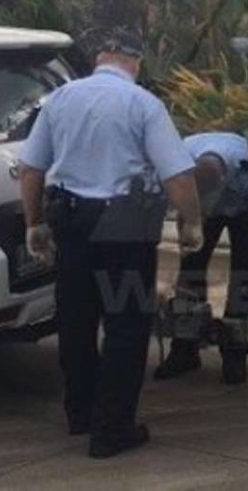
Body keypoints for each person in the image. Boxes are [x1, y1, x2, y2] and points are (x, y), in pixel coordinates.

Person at [18, 29, 204, 459]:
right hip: (126, 226)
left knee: (76, 319)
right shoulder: (143, 104)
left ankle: (79, 413)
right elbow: (178, 175)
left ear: (101, 58)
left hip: (70, 219)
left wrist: (34, 224)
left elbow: (31, 169)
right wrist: (190, 222)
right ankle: (111, 429)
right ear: (135, 62)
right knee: (126, 324)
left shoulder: (61, 98)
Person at [153, 131, 248, 385]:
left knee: (246, 274)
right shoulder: (180, 160)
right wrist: (187, 244)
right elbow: (183, 215)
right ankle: (184, 349)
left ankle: (235, 353)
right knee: (190, 269)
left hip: (245, 212)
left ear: (224, 180)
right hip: (199, 207)